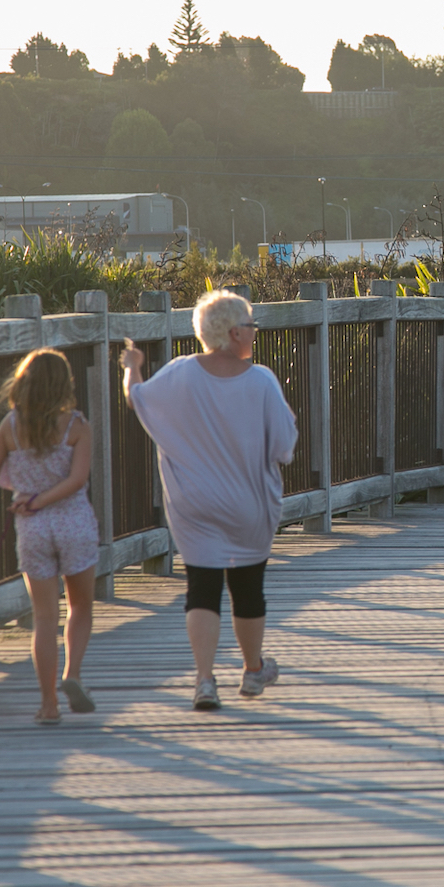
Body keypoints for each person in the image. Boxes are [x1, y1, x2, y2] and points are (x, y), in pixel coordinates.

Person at [122, 290, 298, 711]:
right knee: (246, 586)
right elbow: (284, 448)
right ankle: (253, 669)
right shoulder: (260, 381)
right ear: (235, 333)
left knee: (201, 587)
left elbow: (138, 399)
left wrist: (131, 369)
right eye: (251, 326)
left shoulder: (180, 373)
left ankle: (204, 680)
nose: (254, 333)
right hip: (248, 503)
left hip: (194, 503)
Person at [0, 348, 99, 725]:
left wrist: (24, 495)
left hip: (32, 529)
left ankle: (48, 705)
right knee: (79, 607)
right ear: (65, 385)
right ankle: (73, 675)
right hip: (73, 522)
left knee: (44, 616)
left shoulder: (12, 426)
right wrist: (43, 499)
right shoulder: (77, 426)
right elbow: (78, 479)